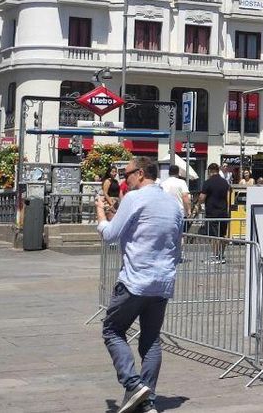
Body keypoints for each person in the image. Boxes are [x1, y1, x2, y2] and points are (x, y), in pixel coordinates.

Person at [94, 156, 183, 413]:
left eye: (127, 173)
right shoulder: (173, 204)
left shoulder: (134, 198)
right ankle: (148, 402)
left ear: (141, 174)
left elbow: (110, 235)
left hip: (135, 280)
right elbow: (176, 246)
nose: (125, 179)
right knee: (151, 340)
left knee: (112, 330)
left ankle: (133, 385)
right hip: (162, 281)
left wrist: (100, 212)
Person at [199, 163, 231, 263]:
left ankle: (216, 256)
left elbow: (202, 197)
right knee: (222, 235)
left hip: (212, 212)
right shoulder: (225, 182)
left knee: (213, 236)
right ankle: (221, 255)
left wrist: (199, 204)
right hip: (223, 212)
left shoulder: (208, 182)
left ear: (210, 171)